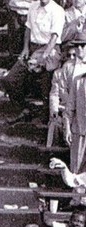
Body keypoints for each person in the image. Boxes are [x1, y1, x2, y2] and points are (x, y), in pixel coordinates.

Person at [7, 0, 65, 122]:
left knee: (46, 83)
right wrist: (25, 48)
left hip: (50, 49)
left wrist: (44, 56)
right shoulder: (33, 7)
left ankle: (45, 118)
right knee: (11, 79)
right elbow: (28, 28)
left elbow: (54, 37)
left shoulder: (57, 10)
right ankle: (24, 109)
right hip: (33, 47)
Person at [49, 35, 86, 174]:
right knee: (76, 167)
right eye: (77, 46)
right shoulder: (68, 68)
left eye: (83, 46)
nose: (79, 49)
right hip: (73, 116)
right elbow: (57, 92)